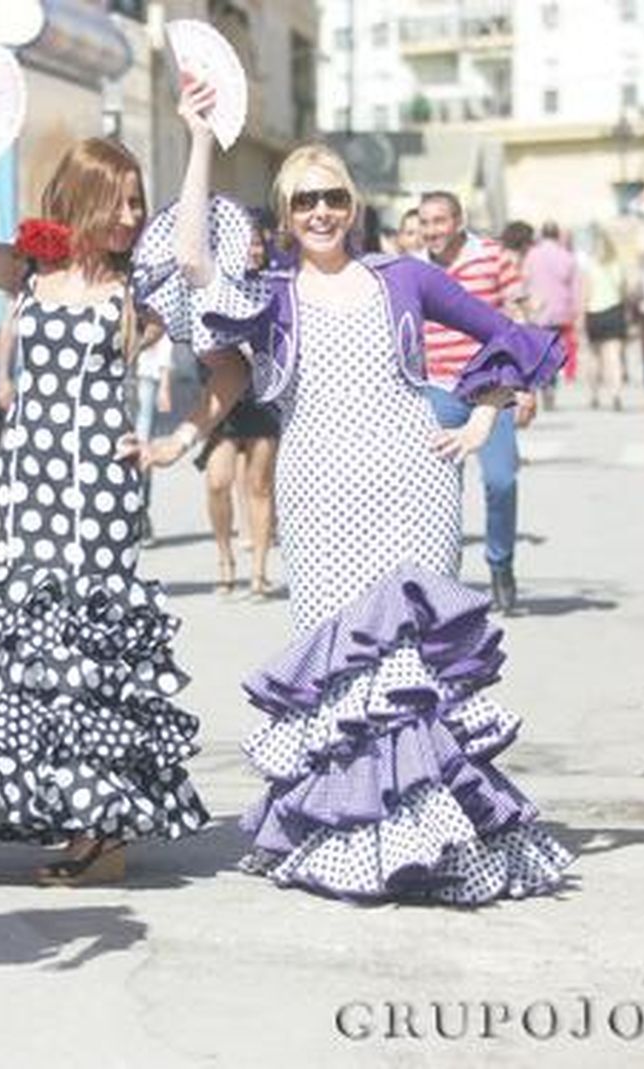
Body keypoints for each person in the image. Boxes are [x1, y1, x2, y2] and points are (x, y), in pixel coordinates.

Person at [144, 85, 572, 905]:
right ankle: (355, 840)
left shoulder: (404, 277)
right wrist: (198, 138)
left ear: (355, 205)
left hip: (413, 486)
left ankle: (434, 841)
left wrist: (483, 418)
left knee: (411, 668)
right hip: (320, 496)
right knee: (342, 672)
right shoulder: (268, 295)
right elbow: (195, 260)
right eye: (304, 199)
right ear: (284, 212)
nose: (321, 211)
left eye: (334, 196)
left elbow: (507, 334)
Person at [0, 83, 211, 886]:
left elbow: (199, 280)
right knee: (38, 647)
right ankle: (69, 810)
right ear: (80, 200)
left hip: (100, 495)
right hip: (27, 489)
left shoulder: (136, 293)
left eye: (139, 203)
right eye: (120, 201)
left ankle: (102, 829)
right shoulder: (28, 274)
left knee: (90, 654)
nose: (132, 216)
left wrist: (201, 139)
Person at [418, 191, 536, 614]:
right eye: (426, 222)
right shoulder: (412, 265)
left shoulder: (493, 256)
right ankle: (440, 581)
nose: (432, 231)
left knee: (502, 481)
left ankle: (501, 565)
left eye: (440, 221)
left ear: (459, 220)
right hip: (437, 389)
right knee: (436, 491)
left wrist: (525, 386)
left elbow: (521, 318)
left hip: (494, 389)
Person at [196, 221, 278, 598]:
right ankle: (225, 557)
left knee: (259, 486)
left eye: (258, 244)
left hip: (262, 400)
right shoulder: (213, 290)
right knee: (217, 482)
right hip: (223, 399)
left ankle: (259, 572)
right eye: (246, 245)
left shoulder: (276, 290)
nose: (253, 251)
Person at [521, 221, 580, 395]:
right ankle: (552, 383)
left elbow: (524, 280)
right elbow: (575, 287)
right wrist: (576, 311)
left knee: (541, 349)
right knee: (555, 348)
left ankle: (546, 383)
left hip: (538, 310)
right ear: (557, 235)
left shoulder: (532, 255)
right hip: (561, 310)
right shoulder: (567, 256)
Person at [133, 330, 175, 545]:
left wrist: (165, 385)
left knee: (141, 449)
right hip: (110, 379)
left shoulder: (144, 299)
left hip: (146, 378)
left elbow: (163, 337)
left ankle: (141, 512)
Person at [581, 224, 629, 410]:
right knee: (614, 357)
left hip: (594, 313)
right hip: (614, 312)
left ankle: (594, 394)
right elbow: (624, 291)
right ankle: (616, 393)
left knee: (594, 357)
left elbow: (586, 293)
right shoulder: (618, 265)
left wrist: (580, 317)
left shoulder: (590, 266)